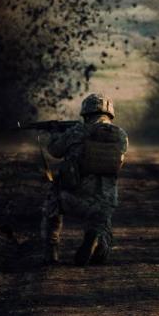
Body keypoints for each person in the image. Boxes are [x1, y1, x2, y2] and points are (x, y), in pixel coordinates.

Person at [40, 93, 129, 266]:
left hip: (74, 198)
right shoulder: (121, 135)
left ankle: (51, 254)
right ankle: (98, 246)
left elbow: (55, 151)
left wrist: (54, 134)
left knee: (52, 203)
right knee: (101, 221)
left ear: (85, 113)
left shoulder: (77, 131)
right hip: (106, 201)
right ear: (110, 114)